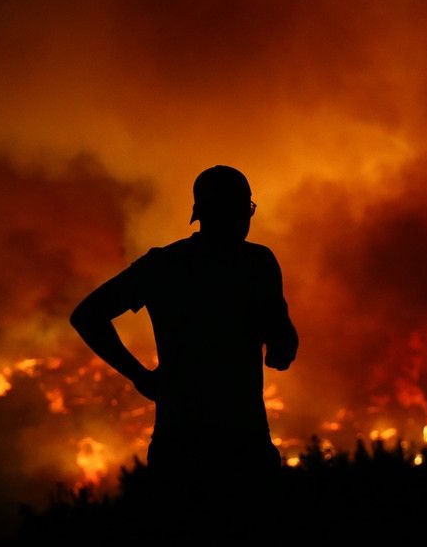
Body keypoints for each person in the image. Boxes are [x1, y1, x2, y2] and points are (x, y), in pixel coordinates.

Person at [70, 165, 298, 519]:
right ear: (235, 212)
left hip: (180, 445)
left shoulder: (165, 266)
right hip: (242, 445)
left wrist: (141, 376)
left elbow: (88, 316)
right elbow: (282, 349)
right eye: (243, 210)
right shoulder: (257, 264)